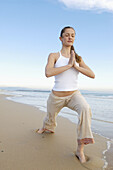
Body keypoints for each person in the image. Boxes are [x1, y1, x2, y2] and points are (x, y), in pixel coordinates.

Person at [37, 26, 95, 163]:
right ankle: (46, 126)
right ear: (61, 38)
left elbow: (92, 75)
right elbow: (48, 73)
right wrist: (68, 66)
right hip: (56, 97)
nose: (70, 37)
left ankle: (80, 150)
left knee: (85, 109)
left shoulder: (78, 58)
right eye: (67, 35)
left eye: (73, 35)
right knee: (50, 119)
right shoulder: (54, 55)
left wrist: (75, 65)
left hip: (74, 95)